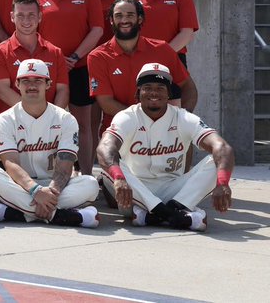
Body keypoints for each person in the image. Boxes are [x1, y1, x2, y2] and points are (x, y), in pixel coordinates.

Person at [97, 63, 234, 231]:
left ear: (169, 93)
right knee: (109, 167)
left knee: (216, 161)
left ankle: (153, 215)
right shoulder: (127, 117)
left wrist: (223, 183)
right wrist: (119, 178)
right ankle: (175, 216)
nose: (154, 92)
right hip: (133, 191)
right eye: (147, 87)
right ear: (138, 92)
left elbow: (222, 147)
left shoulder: (183, 117)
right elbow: (105, 147)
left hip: (174, 190)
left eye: (160, 88)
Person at [0, 59, 99, 227]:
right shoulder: (5, 119)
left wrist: (50, 193)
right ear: (17, 84)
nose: (32, 86)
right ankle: (64, 216)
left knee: (90, 183)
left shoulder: (65, 119)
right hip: (21, 185)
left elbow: (66, 164)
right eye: (26, 81)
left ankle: (18, 213)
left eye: (38, 81)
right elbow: (10, 163)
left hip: (55, 186)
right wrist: (35, 191)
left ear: (48, 84)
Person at [33, 0, 104, 173]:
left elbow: (97, 29)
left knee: (83, 125)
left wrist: (73, 57)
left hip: (80, 67)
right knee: (49, 123)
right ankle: (50, 174)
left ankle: (85, 175)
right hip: (48, 70)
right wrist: (55, 59)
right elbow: (31, 30)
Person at [88, 0, 198, 122]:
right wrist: (145, 121)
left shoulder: (162, 49)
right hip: (120, 132)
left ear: (140, 19)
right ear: (111, 21)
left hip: (161, 131)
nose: (124, 20)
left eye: (130, 15)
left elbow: (188, 87)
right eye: (118, 16)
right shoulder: (98, 56)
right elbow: (106, 103)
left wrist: (182, 119)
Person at [0, 0, 70, 118]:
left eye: (31, 15)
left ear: (40, 17)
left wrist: (50, 118)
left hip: (48, 124)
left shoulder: (55, 52)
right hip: (12, 126)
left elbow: (62, 91)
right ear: (12, 17)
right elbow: (3, 91)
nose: (26, 20)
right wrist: (36, 114)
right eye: (20, 15)